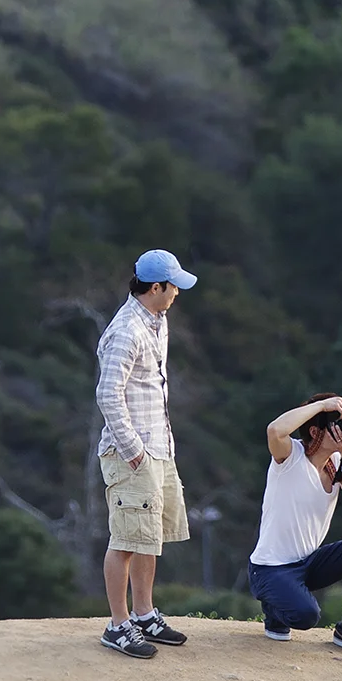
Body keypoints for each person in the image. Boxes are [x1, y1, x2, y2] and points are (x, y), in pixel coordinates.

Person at [93, 249, 196, 658]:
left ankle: (144, 614)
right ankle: (118, 625)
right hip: (132, 452)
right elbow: (108, 394)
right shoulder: (126, 330)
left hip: (158, 446)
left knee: (148, 537)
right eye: (173, 287)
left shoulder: (156, 320)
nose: (177, 294)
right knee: (125, 539)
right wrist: (133, 449)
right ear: (155, 287)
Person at [247, 396, 342, 657]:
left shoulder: (337, 463)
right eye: (337, 425)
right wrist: (322, 406)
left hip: (308, 563)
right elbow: (274, 430)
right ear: (314, 431)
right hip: (270, 569)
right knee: (306, 616)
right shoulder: (290, 455)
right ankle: (274, 610)